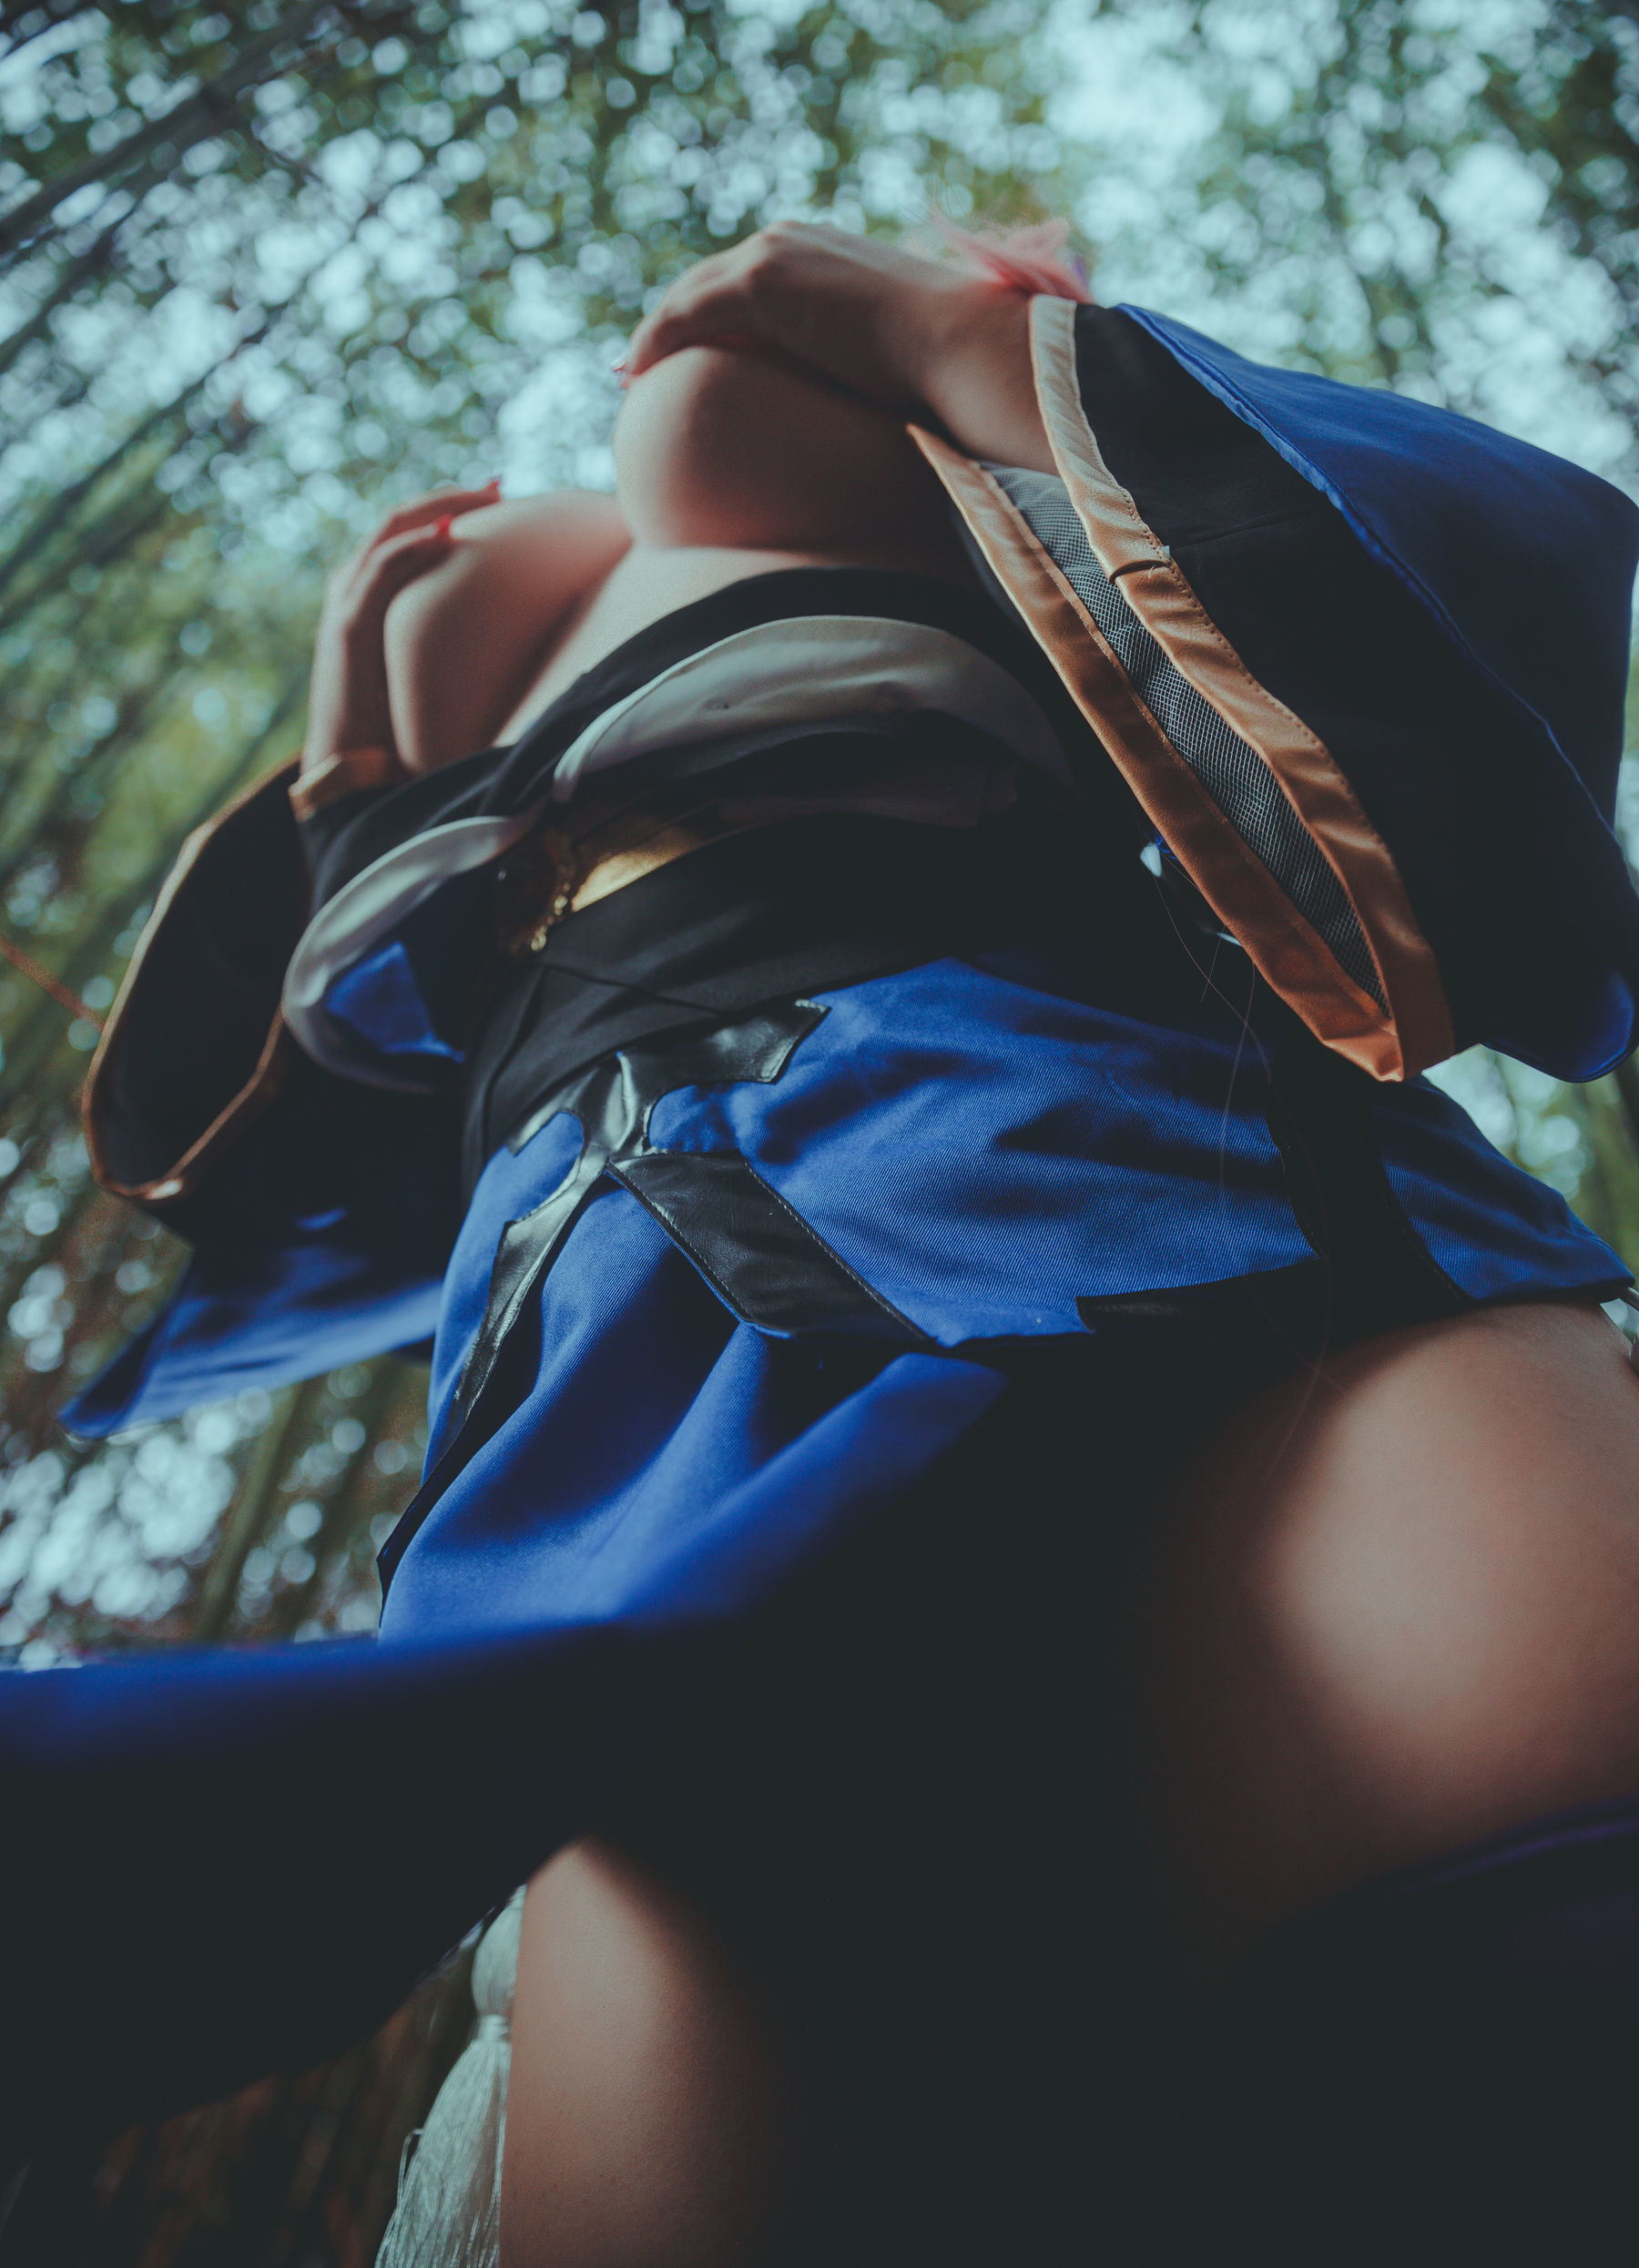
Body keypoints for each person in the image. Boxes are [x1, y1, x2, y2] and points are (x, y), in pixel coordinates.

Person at [7, 218, 1639, 2263]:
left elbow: (1440, 653)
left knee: (1544, 1992)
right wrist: (352, 773)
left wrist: (944, 329)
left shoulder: (1009, 407)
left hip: (1122, 1126)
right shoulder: (483, 703)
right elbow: (305, 1151)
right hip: (631, 1276)